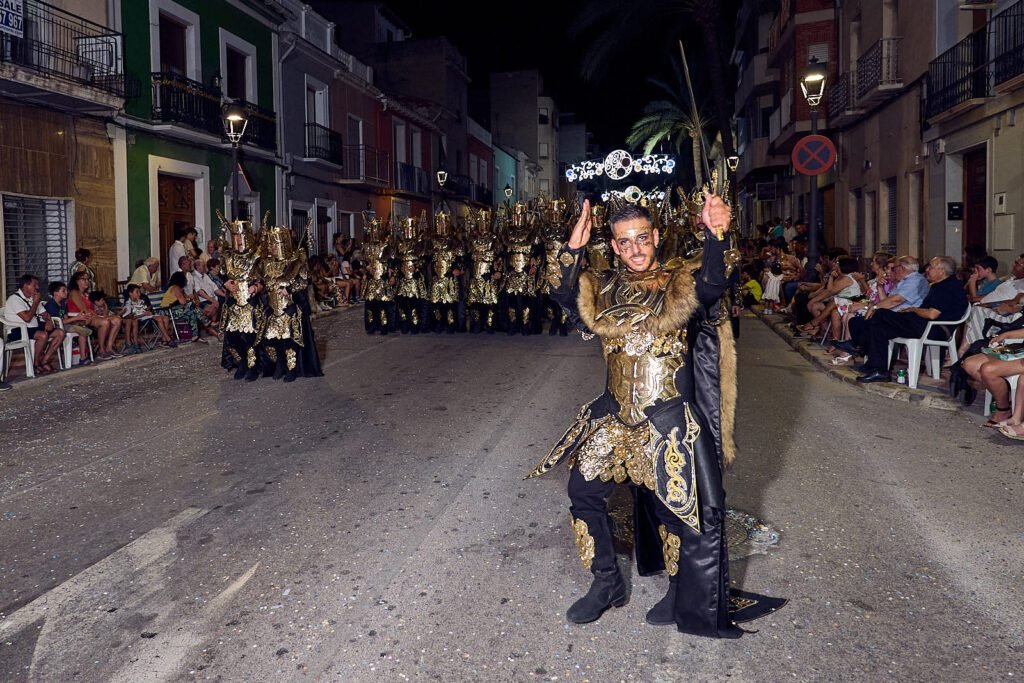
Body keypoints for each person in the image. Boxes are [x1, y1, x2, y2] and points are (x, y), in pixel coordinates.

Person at [528, 196, 782, 638]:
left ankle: (679, 588)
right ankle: (606, 582)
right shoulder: (602, 285)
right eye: (625, 242)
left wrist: (716, 234)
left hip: (666, 419)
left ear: (656, 237)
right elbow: (560, 293)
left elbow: (714, 281)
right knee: (582, 492)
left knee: (674, 509)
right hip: (613, 416)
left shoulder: (680, 282)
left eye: (642, 238)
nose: (635, 249)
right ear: (612, 244)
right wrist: (572, 250)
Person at [854, 256, 969, 383]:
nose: (927, 270)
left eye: (930, 267)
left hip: (934, 329)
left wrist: (913, 309)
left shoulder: (948, 288)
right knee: (880, 328)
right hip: (924, 324)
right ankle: (877, 368)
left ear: (941, 271)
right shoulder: (942, 285)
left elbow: (932, 314)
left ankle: (864, 353)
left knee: (881, 314)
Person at [4, 273, 65, 375]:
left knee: (60, 332)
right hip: (18, 330)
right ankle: (35, 364)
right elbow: (27, 318)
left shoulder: (33, 297)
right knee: (43, 335)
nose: (37, 287)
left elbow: (45, 314)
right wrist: (36, 303)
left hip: (34, 327)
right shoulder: (14, 299)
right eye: (34, 285)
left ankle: (44, 361)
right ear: (25, 286)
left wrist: (48, 321)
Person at [67, 272, 121, 359]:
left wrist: (103, 310)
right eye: (84, 279)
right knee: (105, 322)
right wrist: (96, 314)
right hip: (79, 318)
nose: (87, 281)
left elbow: (94, 310)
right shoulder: (74, 293)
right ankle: (101, 350)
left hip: (91, 317)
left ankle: (109, 348)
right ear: (76, 281)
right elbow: (83, 309)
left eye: (87, 279)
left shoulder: (86, 294)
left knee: (117, 320)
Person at [45, 281, 93, 365]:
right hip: (56, 327)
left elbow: (65, 318)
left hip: (64, 325)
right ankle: (82, 357)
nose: (66, 292)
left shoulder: (63, 303)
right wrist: (76, 318)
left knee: (82, 329)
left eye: (66, 290)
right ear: (55, 293)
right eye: (63, 291)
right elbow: (59, 322)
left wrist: (76, 319)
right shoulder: (51, 305)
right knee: (82, 330)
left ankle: (83, 358)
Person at [161, 271, 209, 344]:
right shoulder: (176, 288)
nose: (186, 280)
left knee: (193, 311)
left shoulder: (178, 288)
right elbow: (183, 302)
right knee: (192, 310)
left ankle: (196, 334)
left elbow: (184, 300)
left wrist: (189, 299)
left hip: (173, 309)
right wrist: (190, 298)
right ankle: (205, 322)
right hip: (167, 311)